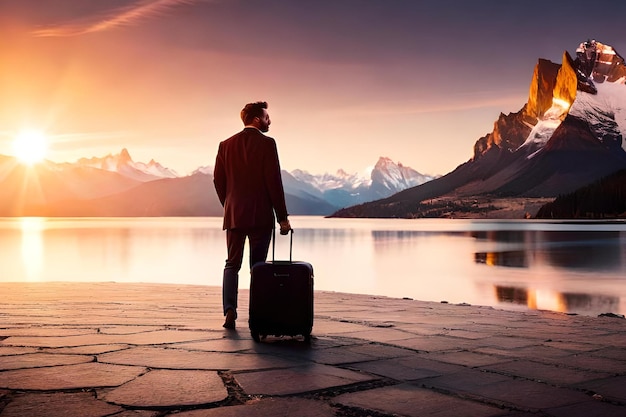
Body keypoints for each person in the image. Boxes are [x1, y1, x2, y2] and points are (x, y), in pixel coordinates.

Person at [213, 101, 291, 329]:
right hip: (260, 217)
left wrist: (229, 205)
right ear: (257, 119)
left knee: (231, 264)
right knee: (257, 266)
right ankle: (257, 314)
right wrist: (282, 218)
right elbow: (274, 183)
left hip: (234, 216)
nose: (269, 121)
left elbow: (218, 180)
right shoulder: (267, 144)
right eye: (267, 117)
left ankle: (229, 311)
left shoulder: (225, 145)